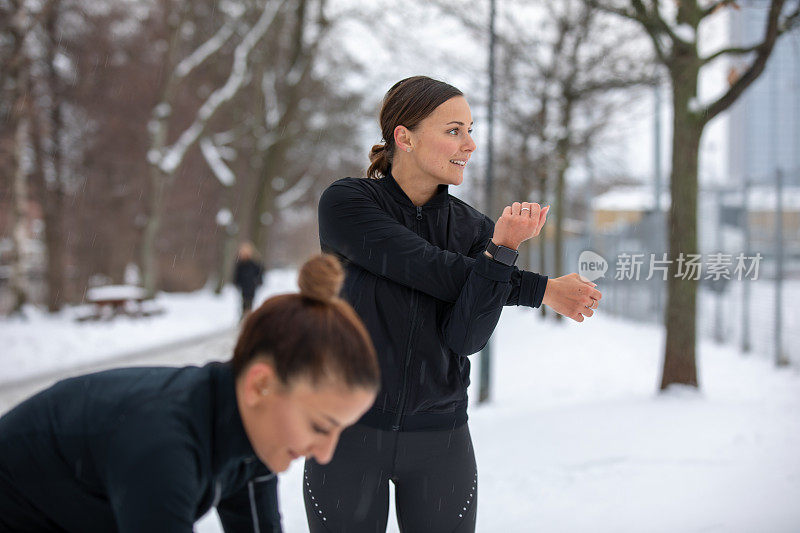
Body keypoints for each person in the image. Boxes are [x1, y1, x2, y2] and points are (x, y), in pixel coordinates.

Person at [304, 76, 602, 532]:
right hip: (345, 433)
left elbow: (465, 337)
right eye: (453, 130)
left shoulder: (474, 230)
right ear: (403, 137)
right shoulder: (348, 203)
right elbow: (424, 266)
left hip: (441, 440)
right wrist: (538, 288)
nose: (470, 144)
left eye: (471, 129)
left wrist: (500, 252)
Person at [0, 255, 380, 533]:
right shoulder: (163, 446)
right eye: (319, 425)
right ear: (260, 385)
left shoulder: (252, 434)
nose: (326, 453)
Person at [234, 242, 264, 317]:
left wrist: (258, 281)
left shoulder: (254, 264)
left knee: (249, 301)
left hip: (251, 286)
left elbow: (260, 272)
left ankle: (248, 315)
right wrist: (236, 283)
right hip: (244, 286)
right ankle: (245, 315)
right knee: (244, 301)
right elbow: (236, 275)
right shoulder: (240, 264)